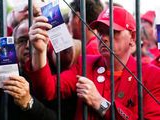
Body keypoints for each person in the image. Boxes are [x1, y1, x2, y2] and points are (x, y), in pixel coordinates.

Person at [26, 6, 160, 119]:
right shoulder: (86, 64)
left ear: (133, 37)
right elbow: (47, 90)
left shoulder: (152, 75)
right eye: (100, 32)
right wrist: (39, 52)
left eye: (112, 32)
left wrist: (100, 103)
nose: (104, 38)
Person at [0, 20, 57, 120]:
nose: (28, 46)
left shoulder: (56, 72)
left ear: (47, 45)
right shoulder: (8, 71)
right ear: (13, 46)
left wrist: (29, 102)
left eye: (36, 39)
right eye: (22, 40)